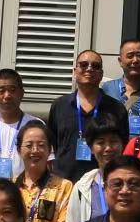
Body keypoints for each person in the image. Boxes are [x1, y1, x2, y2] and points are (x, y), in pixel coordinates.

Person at [46, 49, 128, 182]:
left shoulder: (116, 108)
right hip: (64, 181)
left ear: (101, 74)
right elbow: (53, 143)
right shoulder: (60, 105)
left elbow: (122, 145)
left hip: (102, 181)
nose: (89, 69)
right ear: (75, 71)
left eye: (95, 66)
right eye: (84, 65)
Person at [13, 121, 76, 222]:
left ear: (49, 150)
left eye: (41, 145)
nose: (35, 150)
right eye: (29, 145)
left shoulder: (64, 186)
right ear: (19, 150)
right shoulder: (10, 186)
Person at [64, 115, 127, 222]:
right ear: (91, 148)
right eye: (101, 142)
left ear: (122, 144)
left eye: (113, 141)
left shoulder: (136, 185)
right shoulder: (82, 189)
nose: (108, 148)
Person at [101, 37, 140, 140]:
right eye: (130, 56)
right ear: (120, 61)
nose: (135, 60)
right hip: (115, 147)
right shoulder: (108, 88)